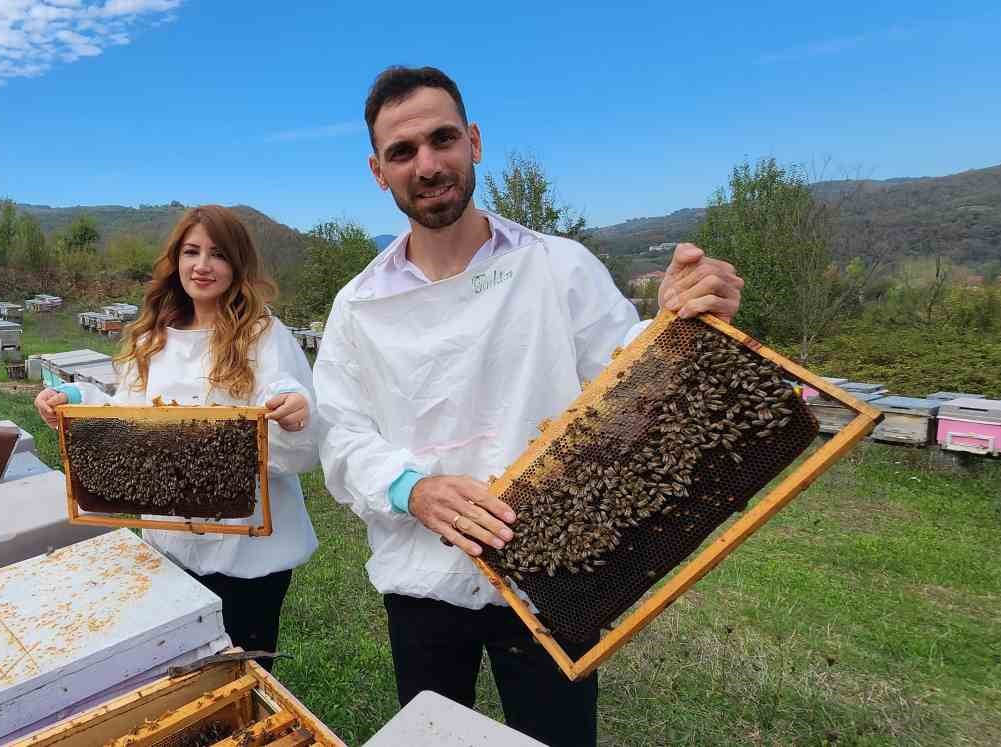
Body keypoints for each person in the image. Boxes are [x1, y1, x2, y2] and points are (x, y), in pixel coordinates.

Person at [314, 66, 746, 746]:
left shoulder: (560, 266)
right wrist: (410, 487)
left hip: (556, 573)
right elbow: (339, 434)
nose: (427, 164)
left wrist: (678, 323)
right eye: (403, 152)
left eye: (442, 139)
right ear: (378, 170)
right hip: (422, 576)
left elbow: (627, 375)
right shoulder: (357, 306)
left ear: (475, 142)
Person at [34, 205, 318, 665]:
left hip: (247, 550)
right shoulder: (153, 337)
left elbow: (293, 416)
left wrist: (294, 411)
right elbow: (129, 415)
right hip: (171, 537)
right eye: (192, 252)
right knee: (181, 661)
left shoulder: (263, 334)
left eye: (217, 254)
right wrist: (74, 399)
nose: (202, 265)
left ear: (237, 264)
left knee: (242, 667)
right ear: (175, 260)